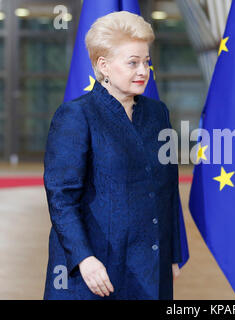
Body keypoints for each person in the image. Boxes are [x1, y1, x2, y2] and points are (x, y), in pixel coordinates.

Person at [43, 11, 182, 300]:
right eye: (132, 63)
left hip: (150, 265)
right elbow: (62, 199)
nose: (143, 71)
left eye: (146, 61)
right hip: (95, 269)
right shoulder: (76, 115)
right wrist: (84, 259)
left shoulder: (157, 114)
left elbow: (166, 190)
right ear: (103, 65)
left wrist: (172, 254)